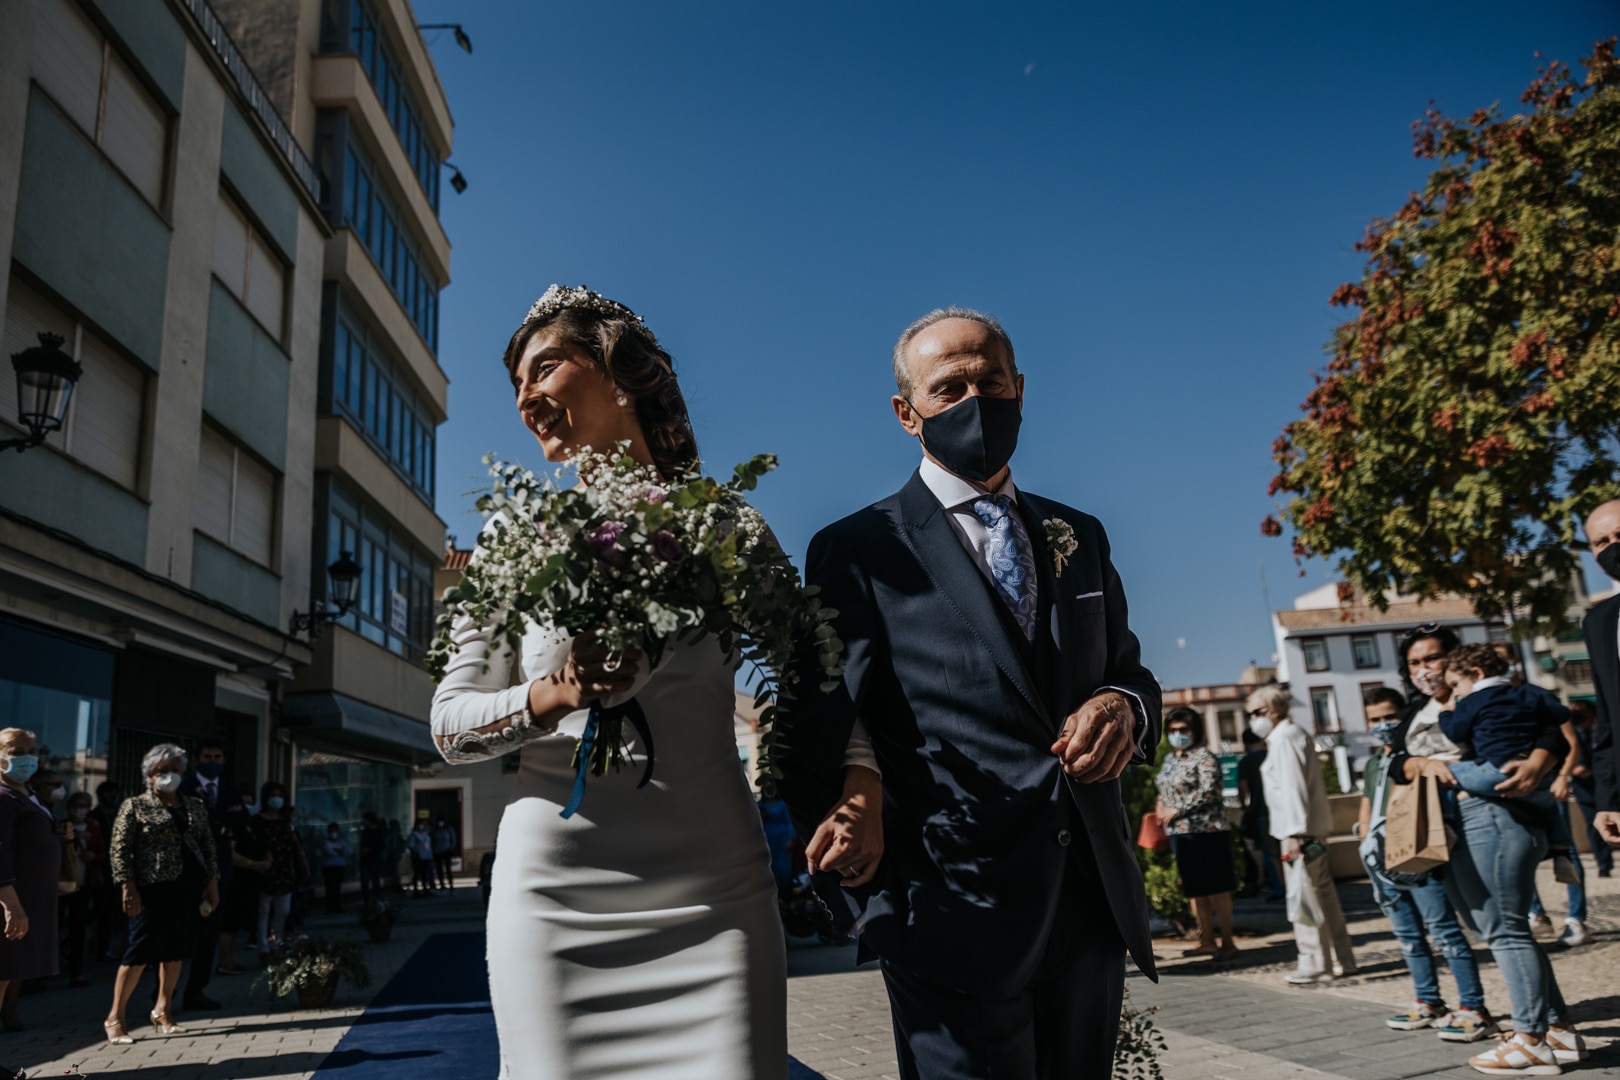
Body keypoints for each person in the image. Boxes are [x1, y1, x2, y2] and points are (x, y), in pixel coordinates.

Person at [775, 307, 1160, 1079]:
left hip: (1087, 896)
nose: (974, 399)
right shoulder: (858, 549)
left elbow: (1129, 670)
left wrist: (1124, 707)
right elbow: (816, 717)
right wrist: (861, 850)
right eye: (948, 387)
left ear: (1020, 389)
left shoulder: (1079, 534)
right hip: (949, 907)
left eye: (990, 380)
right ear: (906, 413)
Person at [431, 286, 787, 1078]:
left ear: (617, 370)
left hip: (717, 893)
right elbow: (449, 724)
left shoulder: (727, 527)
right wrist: (555, 693)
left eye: (545, 367)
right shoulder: (512, 535)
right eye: (516, 386)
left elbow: (816, 674)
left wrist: (856, 786)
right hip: (557, 902)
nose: (525, 398)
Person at [1385, 626, 1586, 1072]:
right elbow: (1394, 761)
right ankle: (1558, 1030)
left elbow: (1553, 733)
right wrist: (1421, 763)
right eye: (1415, 663)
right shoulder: (1417, 712)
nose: (1425, 670)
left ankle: (1531, 1041)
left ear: (1458, 660)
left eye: (1433, 658)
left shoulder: (1495, 694)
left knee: (1505, 929)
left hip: (1489, 814)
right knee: (1495, 927)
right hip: (1443, 827)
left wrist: (1536, 763)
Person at [1355, 687, 1490, 1035]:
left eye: (1389, 717)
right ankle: (1428, 1000)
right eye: (1375, 719)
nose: (1382, 725)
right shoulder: (1373, 763)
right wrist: (1364, 839)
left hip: (1419, 853)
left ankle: (1473, 1007)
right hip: (1384, 861)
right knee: (1408, 937)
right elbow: (1368, 803)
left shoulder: (1413, 754)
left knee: (1444, 931)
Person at [104, 743, 219, 1045]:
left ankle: (163, 1010)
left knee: (176, 950)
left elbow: (208, 844)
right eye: (162, 771)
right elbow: (120, 850)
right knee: (139, 951)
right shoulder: (134, 805)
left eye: (175, 770)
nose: (170, 776)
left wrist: (212, 882)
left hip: (188, 885)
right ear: (150, 775)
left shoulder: (194, 804)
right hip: (151, 888)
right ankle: (116, 1017)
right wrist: (127, 886)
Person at [1247, 685, 1356, 985]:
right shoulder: (1291, 735)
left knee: (1304, 897)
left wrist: (1294, 833)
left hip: (1299, 832)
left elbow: (1294, 788)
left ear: (1274, 710)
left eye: (1257, 712)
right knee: (1323, 895)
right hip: (1310, 830)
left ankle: (1314, 961)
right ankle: (1341, 958)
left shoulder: (1284, 738)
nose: (1253, 719)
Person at [1154, 707, 1237, 958]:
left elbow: (1209, 791)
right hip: (1179, 833)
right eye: (1172, 730)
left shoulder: (1204, 757)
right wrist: (1160, 805)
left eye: (1182, 730)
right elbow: (1164, 788)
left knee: (1217, 887)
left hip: (1207, 830)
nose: (1177, 734)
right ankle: (1207, 939)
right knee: (1195, 888)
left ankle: (1228, 941)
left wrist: (1177, 808)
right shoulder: (1170, 760)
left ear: (1194, 730)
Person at [0, 730, 59, 1076]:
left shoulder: (27, 794)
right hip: (11, 906)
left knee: (7, 978)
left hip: (29, 902)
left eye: (31, 750)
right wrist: (11, 904)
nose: (26, 756)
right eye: (16, 750)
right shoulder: (3, 796)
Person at [177, 738, 251, 1011]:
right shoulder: (184, 788)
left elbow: (242, 820)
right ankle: (163, 995)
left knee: (209, 936)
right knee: (181, 935)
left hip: (219, 872)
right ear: (197, 759)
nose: (213, 761)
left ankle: (195, 991)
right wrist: (219, 816)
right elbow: (191, 821)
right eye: (207, 756)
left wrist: (213, 815)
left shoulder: (230, 790)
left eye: (218, 757)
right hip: (188, 871)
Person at [1580, 499, 1620, 856]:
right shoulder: (1598, 622)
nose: (1612, 546)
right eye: (1601, 541)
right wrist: (1608, 799)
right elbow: (1607, 722)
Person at [244, 782, 305, 963]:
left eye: (280, 795)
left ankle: (274, 944)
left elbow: (295, 844)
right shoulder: (257, 820)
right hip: (265, 869)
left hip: (284, 869)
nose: (276, 799)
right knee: (263, 911)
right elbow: (251, 843)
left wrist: (302, 861)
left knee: (282, 911)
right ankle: (264, 948)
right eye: (273, 795)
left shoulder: (286, 821)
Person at [61, 790, 105, 988]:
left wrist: (93, 856)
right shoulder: (61, 825)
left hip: (84, 883)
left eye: (83, 806)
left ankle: (75, 971)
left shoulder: (94, 828)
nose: (79, 809)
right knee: (54, 925)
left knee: (79, 927)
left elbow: (104, 852)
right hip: (61, 885)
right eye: (76, 805)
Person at [1563, 700, 1611, 878]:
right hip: (1584, 787)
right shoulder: (1569, 734)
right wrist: (1572, 770)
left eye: (1579, 711)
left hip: (1606, 784)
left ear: (1591, 714)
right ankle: (1604, 863)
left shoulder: (1604, 730)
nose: (1574, 714)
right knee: (1593, 825)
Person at [1237, 726, 1283, 899]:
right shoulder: (1273, 755)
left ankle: (1280, 889)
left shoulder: (1246, 761)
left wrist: (1244, 805)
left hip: (1261, 812)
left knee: (1270, 854)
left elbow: (1242, 786)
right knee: (1284, 851)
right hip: (1280, 809)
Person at [89, 781, 123, 962]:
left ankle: (104, 947)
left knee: (112, 910)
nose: (113, 797)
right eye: (109, 794)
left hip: (116, 869)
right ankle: (98, 945)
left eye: (115, 793)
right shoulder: (94, 816)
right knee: (101, 909)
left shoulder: (119, 814)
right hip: (99, 869)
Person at [357, 811, 384, 905]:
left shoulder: (378, 831)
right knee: (364, 881)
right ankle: (366, 900)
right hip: (365, 859)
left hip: (374, 859)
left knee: (375, 880)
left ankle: (376, 899)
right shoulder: (365, 831)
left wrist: (369, 849)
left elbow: (380, 845)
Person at [320, 823, 348, 913]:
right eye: (332, 831)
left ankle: (337, 906)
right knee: (330, 887)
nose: (334, 833)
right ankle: (330, 907)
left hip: (339, 866)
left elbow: (346, 851)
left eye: (335, 830)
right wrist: (339, 850)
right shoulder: (325, 842)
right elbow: (329, 851)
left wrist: (337, 850)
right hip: (329, 867)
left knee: (337, 887)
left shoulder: (342, 841)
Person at [405, 819, 435, 895]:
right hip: (418, 857)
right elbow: (411, 846)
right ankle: (416, 890)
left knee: (425, 873)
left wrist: (430, 856)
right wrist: (416, 853)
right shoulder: (414, 834)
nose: (421, 826)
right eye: (419, 824)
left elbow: (429, 845)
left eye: (422, 824)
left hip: (426, 856)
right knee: (417, 873)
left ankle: (425, 888)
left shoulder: (425, 834)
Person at [430, 817, 457, 890]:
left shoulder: (449, 829)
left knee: (448, 869)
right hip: (437, 852)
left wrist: (450, 848)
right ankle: (442, 885)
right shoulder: (434, 831)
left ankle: (451, 885)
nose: (440, 823)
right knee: (439, 870)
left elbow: (453, 840)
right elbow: (431, 841)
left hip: (446, 851)